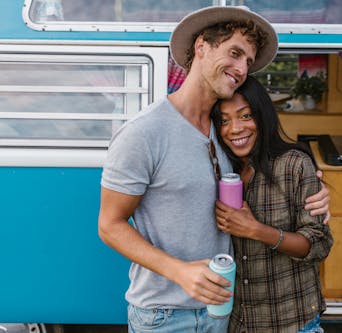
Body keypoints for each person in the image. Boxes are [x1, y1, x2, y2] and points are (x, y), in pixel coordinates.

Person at [98, 5, 330, 333]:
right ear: (202, 47)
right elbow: (109, 225)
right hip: (166, 316)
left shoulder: (223, 134)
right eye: (234, 53)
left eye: (248, 61)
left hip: (222, 311)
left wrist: (317, 191)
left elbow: (269, 177)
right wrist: (179, 271)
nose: (241, 68)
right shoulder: (143, 133)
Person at [212, 75, 333, 333]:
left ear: (263, 116)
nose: (234, 129)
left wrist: (255, 230)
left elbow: (319, 244)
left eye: (245, 116)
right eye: (224, 120)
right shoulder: (218, 169)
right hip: (236, 323)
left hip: (291, 322)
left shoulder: (294, 165)